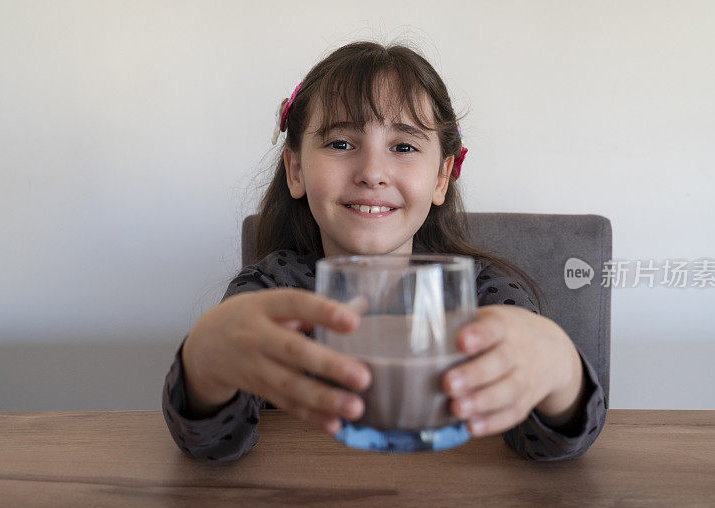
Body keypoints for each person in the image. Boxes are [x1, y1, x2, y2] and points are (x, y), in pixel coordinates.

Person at [162, 40, 606, 462]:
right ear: (296, 169)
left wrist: (560, 367)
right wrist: (203, 364)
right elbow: (212, 446)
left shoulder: (483, 294)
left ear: (441, 178)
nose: (373, 172)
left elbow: (549, 446)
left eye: (404, 146)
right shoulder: (271, 291)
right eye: (340, 144)